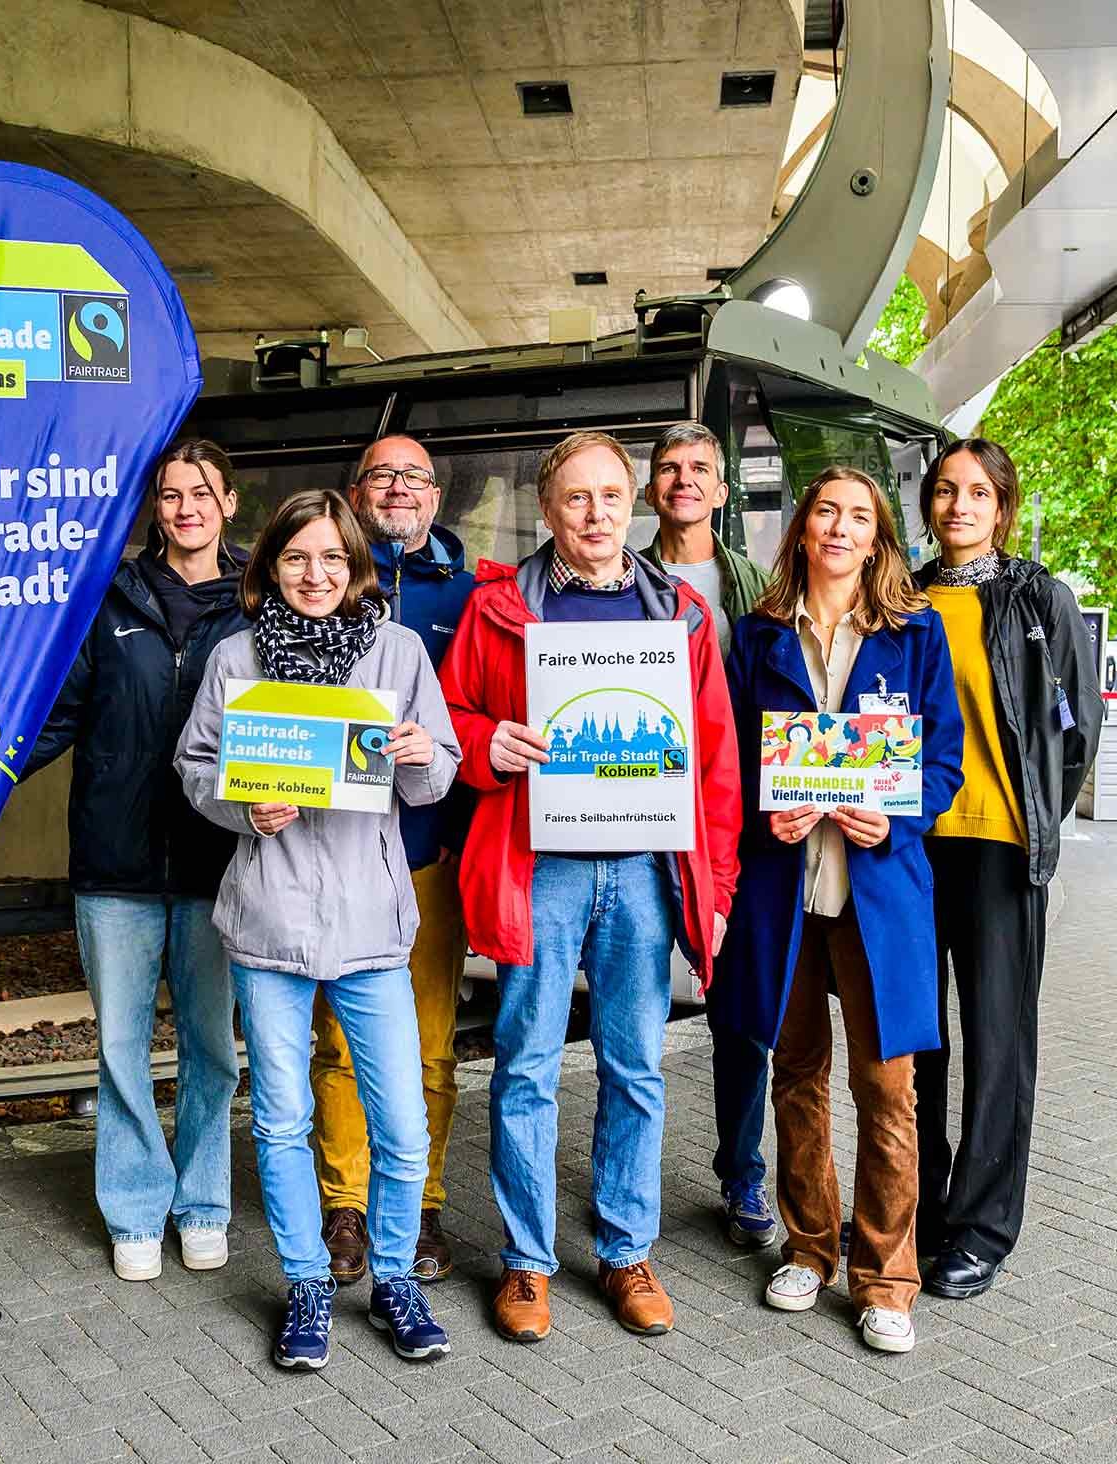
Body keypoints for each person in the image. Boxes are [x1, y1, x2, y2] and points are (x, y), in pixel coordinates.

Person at [440, 430, 742, 1342]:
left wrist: (717, 888)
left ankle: (625, 1248)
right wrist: (486, 742)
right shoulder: (499, 609)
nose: (597, 513)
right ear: (549, 508)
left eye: (612, 496)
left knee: (636, 1069)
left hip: (648, 874)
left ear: (634, 504)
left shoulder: (680, 616)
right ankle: (527, 1264)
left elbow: (718, 760)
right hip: (542, 866)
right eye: (577, 498)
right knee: (526, 1064)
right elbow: (450, 714)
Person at [175, 489, 460, 1371]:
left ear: (355, 568)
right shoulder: (234, 657)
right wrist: (240, 806)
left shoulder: (399, 652)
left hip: (372, 923)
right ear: (270, 568)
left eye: (333, 559)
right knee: (284, 1118)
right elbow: (195, 767)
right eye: (297, 558)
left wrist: (421, 758)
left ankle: (394, 1282)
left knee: (403, 1126)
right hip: (270, 920)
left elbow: (437, 777)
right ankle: (305, 1279)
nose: (316, 574)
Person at [719, 466, 963, 1354]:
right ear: (803, 526)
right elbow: (730, 755)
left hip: (879, 891)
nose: (840, 528)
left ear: (877, 538)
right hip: (787, 891)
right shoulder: (758, 635)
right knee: (796, 1078)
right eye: (827, 511)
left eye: (859, 516)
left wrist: (897, 812)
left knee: (888, 1087)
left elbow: (942, 763)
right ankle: (808, 1248)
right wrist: (762, 806)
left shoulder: (914, 634)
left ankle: (886, 1278)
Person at [26, 440, 248, 1283]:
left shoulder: (257, 604)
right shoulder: (106, 594)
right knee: (120, 1046)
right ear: (153, 507)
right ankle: (132, 1208)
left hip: (219, 860)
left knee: (211, 1051)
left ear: (229, 503)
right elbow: (62, 712)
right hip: (114, 863)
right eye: (169, 493)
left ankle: (201, 1206)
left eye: (200, 492)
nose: (185, 506)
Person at [911, 437, 1103, 1300]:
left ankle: (981, 1228)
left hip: (997, 847)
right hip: (906, 845)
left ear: (1002, 506)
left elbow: (1076, 732)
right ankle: (914, 1207)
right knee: (915, 1044)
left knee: (996, 1041)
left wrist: (1033, 822)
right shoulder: (901, 596)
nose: (959, 506)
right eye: (947, 491)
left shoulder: (1039, 599)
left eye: (977, 493)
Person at [313, 435, 478, 1285]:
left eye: (415, 477)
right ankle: (344, 1205)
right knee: (339, 1040)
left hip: (429, 850)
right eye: (383, 475)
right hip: (336, 851)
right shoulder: (320, 581)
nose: (400, 488)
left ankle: (418, 1209)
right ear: (357, 490)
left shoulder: (474, 591)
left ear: (436, 498)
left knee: (429, 1044)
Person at [637, 420, 778, 1250]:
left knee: (742, 1011)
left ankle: (742, 1175)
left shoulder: (755, 582)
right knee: (632, 1008)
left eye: (700, 469)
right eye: (669, 469)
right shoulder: (623, 576)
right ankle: (631, 1188)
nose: (684, 480)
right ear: (652, 490)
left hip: (738, 820)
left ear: (722, 491)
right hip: (638, 812)